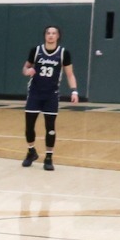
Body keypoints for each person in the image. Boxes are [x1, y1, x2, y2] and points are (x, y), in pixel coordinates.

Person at [21, 26, 79, 171]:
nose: (51, 36)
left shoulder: (63, 53)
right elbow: (25, 69)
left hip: (51, 95)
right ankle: (31, 151)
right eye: (48, 33)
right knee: (29, 126)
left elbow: (70, 74)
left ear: (58, 36)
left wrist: (74, 91)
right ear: (45, 35)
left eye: (54, 33)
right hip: (35, 93)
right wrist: (27, 71)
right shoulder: (36, 51)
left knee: (50, 128)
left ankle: (48, 157)